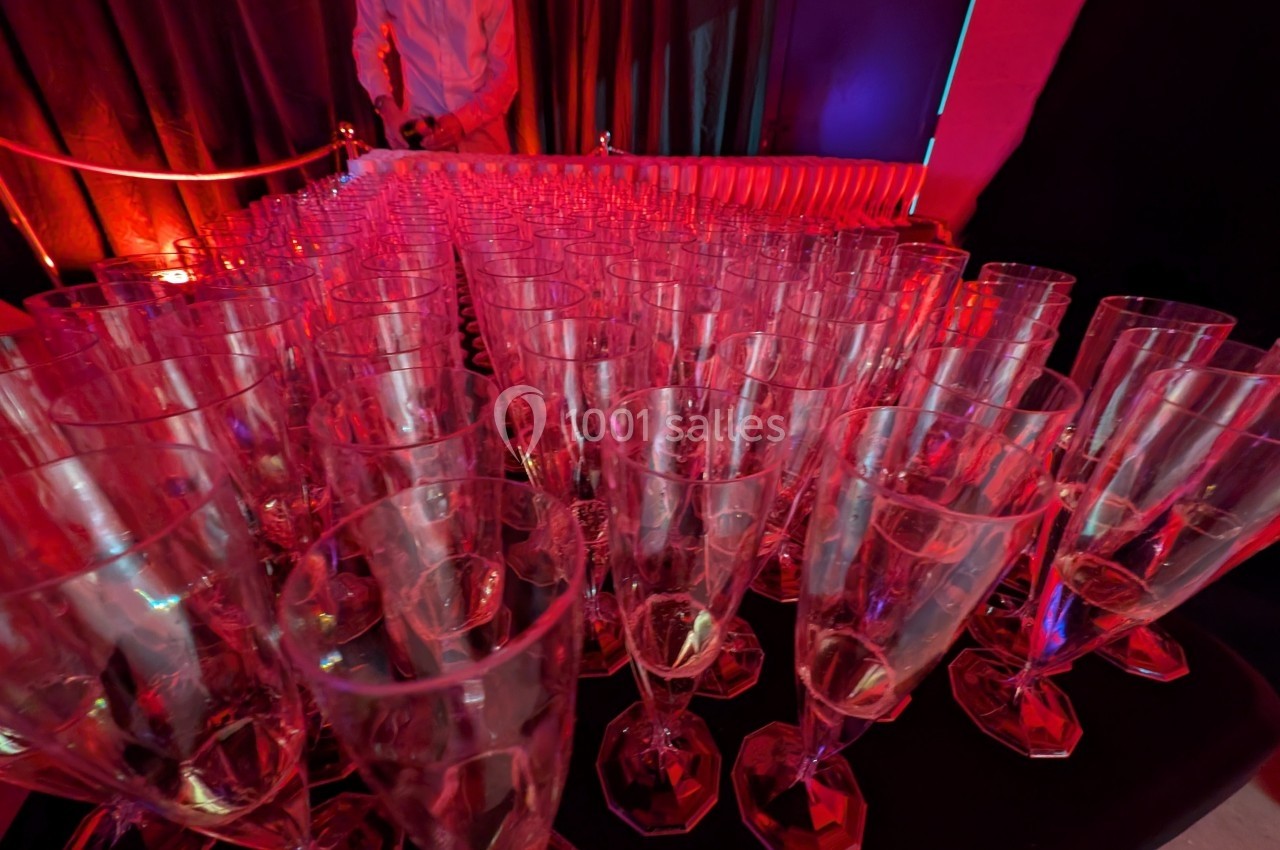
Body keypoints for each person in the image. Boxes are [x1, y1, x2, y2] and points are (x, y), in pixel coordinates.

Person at [353, 0, 517, 154]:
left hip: (482, 135)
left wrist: (463, 121)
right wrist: (388, 109)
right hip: (420, 133)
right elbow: (367, 45)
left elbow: (505, 75)